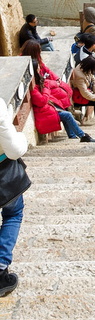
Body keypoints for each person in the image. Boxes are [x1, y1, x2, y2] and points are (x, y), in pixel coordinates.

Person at [0, 98, 28, 297]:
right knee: (13, 213)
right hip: (3, 175)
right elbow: (14, 149)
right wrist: (22, 138)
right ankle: (0, 268)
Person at [31, 60, 95, 142]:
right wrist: (46, 89)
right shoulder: (33, 89)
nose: (39, 70)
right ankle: (82, 135)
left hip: (49, 107)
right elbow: (42, 101)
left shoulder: (39, 82)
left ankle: (72, 135)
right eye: (37, 69)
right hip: (43, 111)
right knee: (67, 115)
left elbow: (52, 83)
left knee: (65, 113)